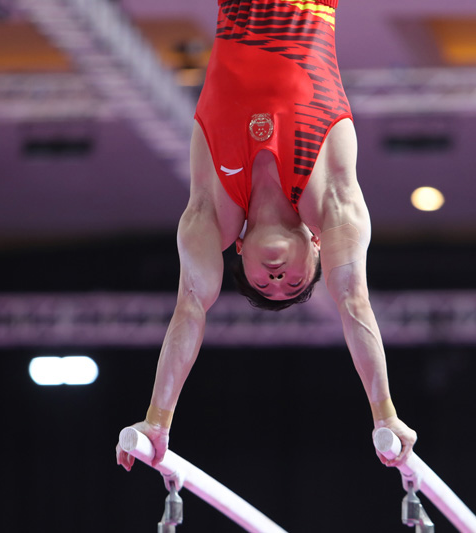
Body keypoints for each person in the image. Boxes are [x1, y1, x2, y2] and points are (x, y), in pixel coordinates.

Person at [116, 0, 417, 472]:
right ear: (319, 244)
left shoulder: (210, 211)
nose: (277, 278)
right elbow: (354, 300)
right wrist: (386, 414)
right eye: (294, 283)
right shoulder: (334, 201)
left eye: (263, 283)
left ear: (237, 251)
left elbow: (190, 307)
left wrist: (157, 420)